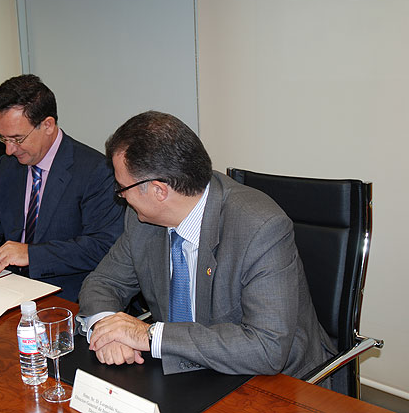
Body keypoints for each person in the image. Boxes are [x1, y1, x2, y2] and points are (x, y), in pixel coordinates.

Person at [78, 111, 335, 379]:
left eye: (122, 188)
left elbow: (266, 348)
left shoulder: (260, 228)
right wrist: (109, 331)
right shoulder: (142, 220)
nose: (120, 197)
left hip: (271, 381)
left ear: (159, 190)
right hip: (182, 375)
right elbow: (103, 282)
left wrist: (150, 335)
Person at [0, 74, 124, 301]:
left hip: (66, 295)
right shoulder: (8, 166)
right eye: (3, 138)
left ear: (47, 125)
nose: (9, 150)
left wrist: (32, 254)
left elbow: (102, 246)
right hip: (7, 286)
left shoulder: (95, 171)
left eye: (17, 138)